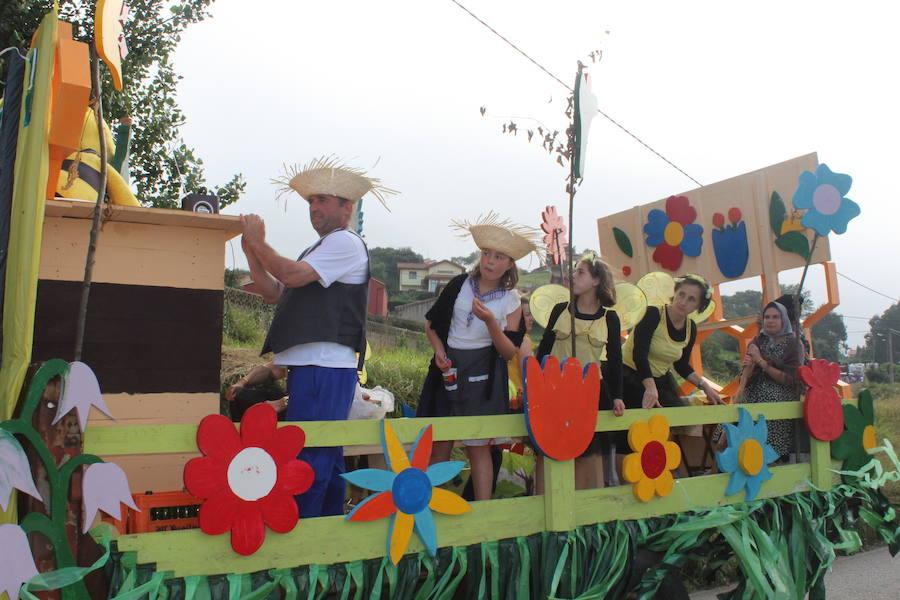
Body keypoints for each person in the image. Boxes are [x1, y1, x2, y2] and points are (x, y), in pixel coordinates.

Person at [239, 156, 395, 518]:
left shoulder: (346, 243)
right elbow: (274, 291)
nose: (314, 208)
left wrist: (260, 243)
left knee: (312, 455)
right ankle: (328, 530)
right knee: (324, 453)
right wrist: (252, 252)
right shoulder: (321, 249)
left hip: (325, 365)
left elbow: (290, 277)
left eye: (322, 200)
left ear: (347, 207)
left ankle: (305, 533)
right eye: (311, 201)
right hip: (312, 365)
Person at [417, 213, 537, 501]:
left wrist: (491, 324)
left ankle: (483, 514)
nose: (490, 261)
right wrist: (440, 352)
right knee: (440, 443)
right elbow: (431, 325)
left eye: (498, 257)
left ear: (509, 264)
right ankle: (431, 508)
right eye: (486, 254)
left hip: (484, 373)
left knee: (478, 446)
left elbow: (509, 351)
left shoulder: (511, 300)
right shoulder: (459, 284)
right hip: (449, 369)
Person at [534, 254, 625, 490]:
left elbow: (615, 361)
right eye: (573, 271)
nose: (573, 276)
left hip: (589, 395)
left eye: (580, 272)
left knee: (586, 453)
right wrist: (534, 384)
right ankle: (545, 503)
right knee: (550, 448)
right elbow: (544, 349)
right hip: (554, 392)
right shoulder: (559, 310)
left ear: (596, 281)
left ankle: (585, 515)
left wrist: (617, 396)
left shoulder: (610, 318)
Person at [619, 274, 724, 471]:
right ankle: (629, 475)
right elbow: (639, 353)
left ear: (698, 306)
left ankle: (662, 471)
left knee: (675, 421)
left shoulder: (690, 328)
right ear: (674, 293)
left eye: (691, 299)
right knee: (633, 430)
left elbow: (682, 365)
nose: (683, 302)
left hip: (659, 379)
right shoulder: (652, 314)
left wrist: (705, 386)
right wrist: (649, 387)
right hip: (629, 374)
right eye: (681, 294)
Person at [734, 300, 804, 460]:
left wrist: (761, 361)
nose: (770, 321)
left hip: (781, 395)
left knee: (769, 397)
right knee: (736, 410)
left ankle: (769, 458)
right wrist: (749, 368)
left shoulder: (794, 344)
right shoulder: (758, 341)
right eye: (767, 317)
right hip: (753, 393)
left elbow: (790, 379)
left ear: (783, 320)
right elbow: (745, 378)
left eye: (775, 317)